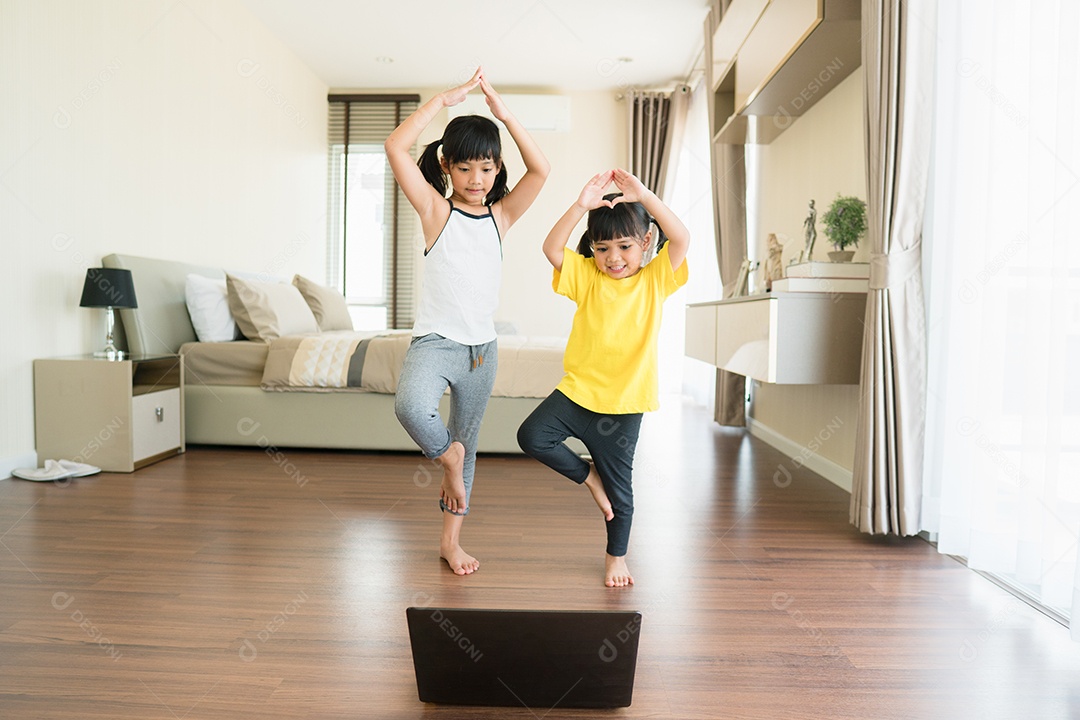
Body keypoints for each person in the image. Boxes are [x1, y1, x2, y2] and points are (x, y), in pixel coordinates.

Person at [385, 67, 550, 576]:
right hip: (436, 343)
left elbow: (541, 170)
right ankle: (447, 458)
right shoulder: (435, 211)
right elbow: (395, 147)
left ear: (498, 170)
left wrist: (504, 113)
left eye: (486, 169)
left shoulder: (500, 218)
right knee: (411, 407)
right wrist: (443, 100)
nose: (476, 180)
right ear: (446, 167)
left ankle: (450, 542)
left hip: (483, 350)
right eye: (465, 169)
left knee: (468, 442)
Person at [517, 169, 689, 587]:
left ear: (646, 242)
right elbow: (551, 247)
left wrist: (644, 196)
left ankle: (616, 558)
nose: (614, 258)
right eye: (603, 248)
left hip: (626, 406)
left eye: (625, 246)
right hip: (577, 395)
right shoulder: (587, 278)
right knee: (531, 436)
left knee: (620, 496)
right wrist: (582, 204)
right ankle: (589, 477)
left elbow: (681, 238)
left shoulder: (654, 280)